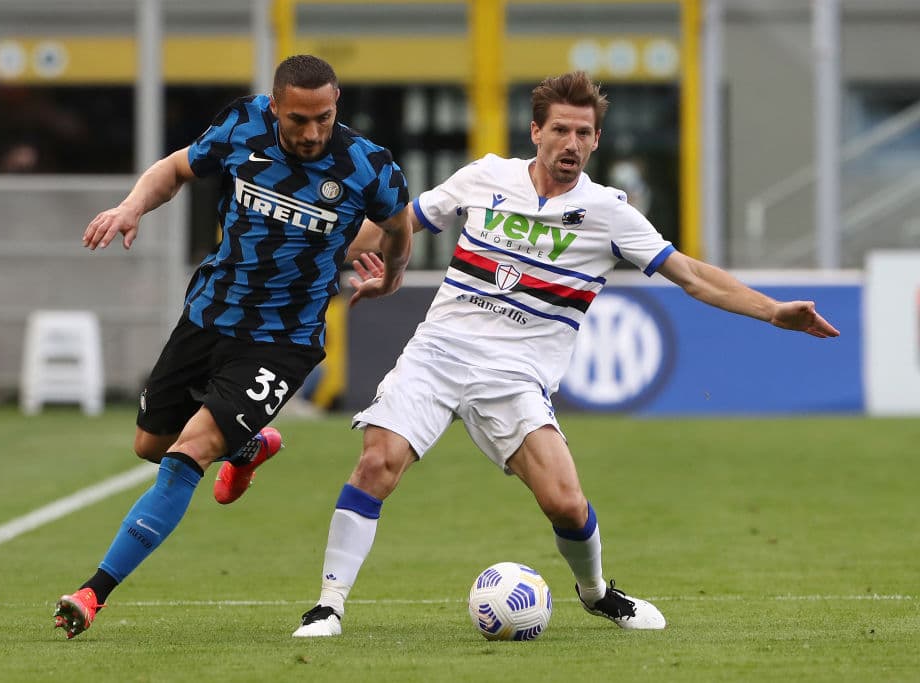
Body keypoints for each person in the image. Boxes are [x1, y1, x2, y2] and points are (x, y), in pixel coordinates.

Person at [293, 70, 840, 637]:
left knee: (566, 503)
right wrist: (312, 244)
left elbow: (693, 276)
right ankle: (328, 606)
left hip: (517, 376)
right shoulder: (485, 176)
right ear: (536, 131)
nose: (571, 143)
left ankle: (598, 593)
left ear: (597, 140)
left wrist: (774, 311)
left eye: (584, 132)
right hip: (439, 352)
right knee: (378, 462)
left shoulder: (609, 213)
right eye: (561, 130)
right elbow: (397, 223)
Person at [52, 54, 413, 639]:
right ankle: (246, 449)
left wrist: (392, 276)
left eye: (324, 117)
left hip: (282, 341)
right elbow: (173, 170)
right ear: (275, 107)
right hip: (209, 317)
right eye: (299, 119)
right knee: (150, 443)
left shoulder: (368, 166)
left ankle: (93, 593)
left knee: (184, 457)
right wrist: (130, 206)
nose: (313, 132)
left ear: (336, 103)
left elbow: (399, 226)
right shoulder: (243, 126)